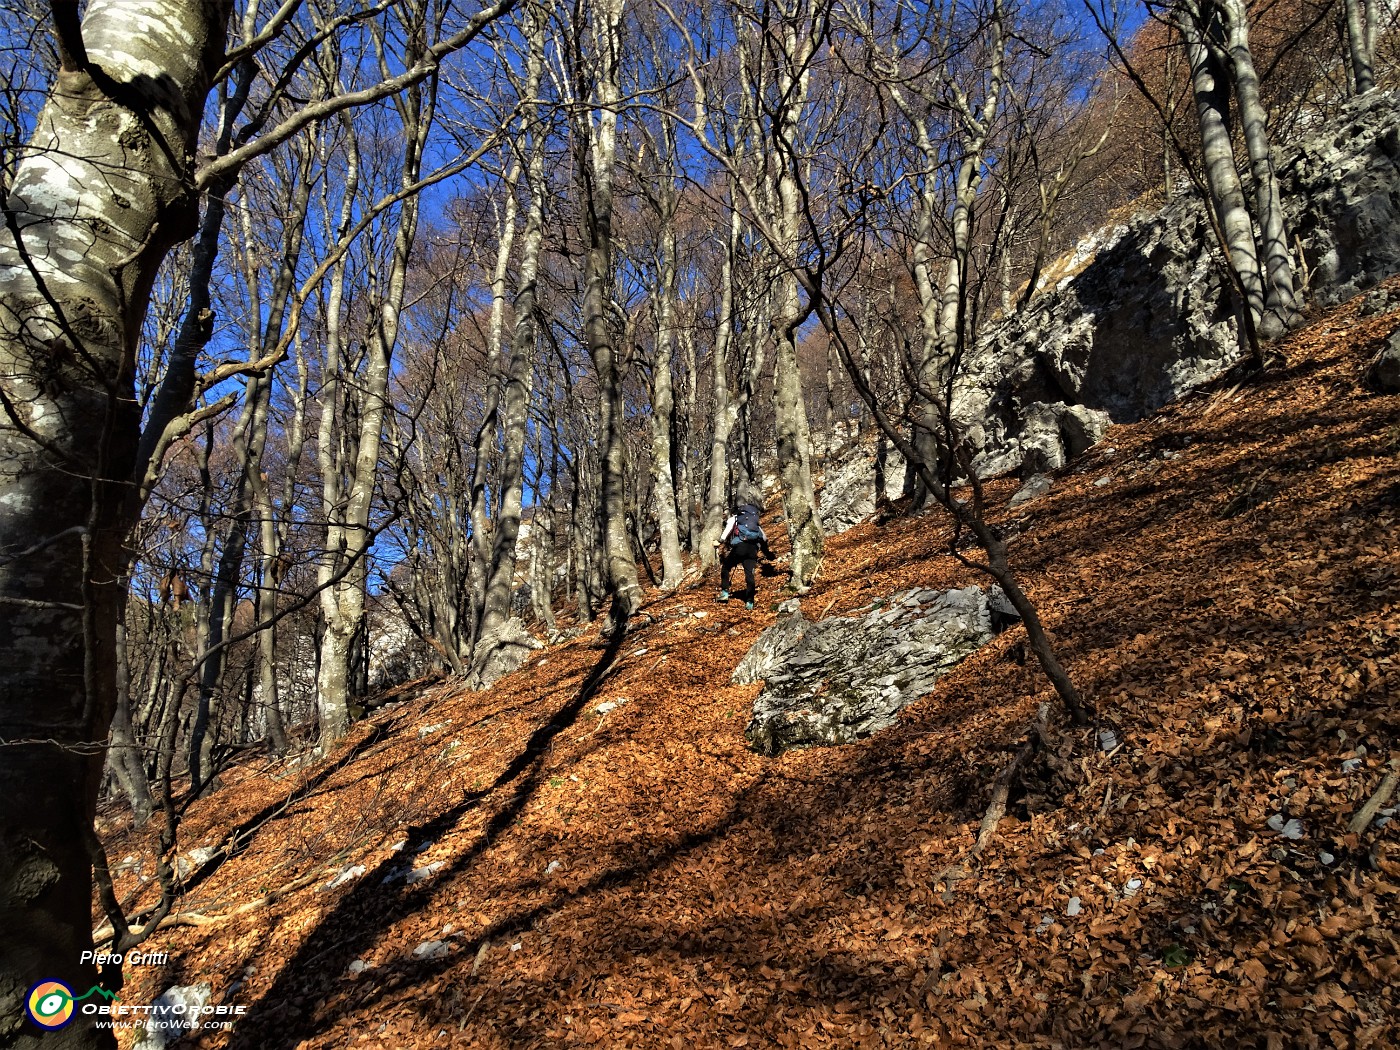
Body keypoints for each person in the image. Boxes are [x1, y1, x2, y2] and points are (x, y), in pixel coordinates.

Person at [715, 499, 773, 610]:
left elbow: (727, 530)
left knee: (726, 567)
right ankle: (750, 602)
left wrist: (720, 540)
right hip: (752, 550)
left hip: (740, 547)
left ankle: (725, 593)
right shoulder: (754, 523)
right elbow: (764, 538)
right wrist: (767, 552)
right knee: (750, 575)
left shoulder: (735, 518)